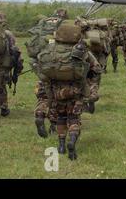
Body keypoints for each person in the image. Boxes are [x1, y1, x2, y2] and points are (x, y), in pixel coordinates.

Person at [35, 20, 102, 160]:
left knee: (60, 118)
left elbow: (41, 68)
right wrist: (91, 85)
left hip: (55, 92)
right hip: (76, 92)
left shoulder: (50, 49)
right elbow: (96, 68)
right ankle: (71, 142)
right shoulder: (82, 52)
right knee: (73, 119)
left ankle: (61, 145)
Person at [27, 9, 68, 138]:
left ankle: (40, 114)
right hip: (60, 66)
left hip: (42, 65)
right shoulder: (66, 25)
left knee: (44, 94)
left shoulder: (43, 24)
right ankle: (54, 124)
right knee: (58, 96)